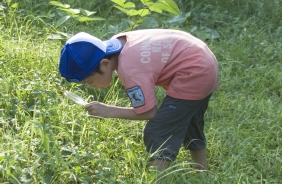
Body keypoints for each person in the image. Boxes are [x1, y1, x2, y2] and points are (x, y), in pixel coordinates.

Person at [59, 29, 219, 171]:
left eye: (89, 81)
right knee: (188, 120)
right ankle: (201, 172)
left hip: (194, 72)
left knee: (157, 130)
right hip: (203, 60)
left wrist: (107, 110)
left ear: (105, 64)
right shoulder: (120, 42)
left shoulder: (129, 70)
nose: (92, 86)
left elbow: (149, 112)